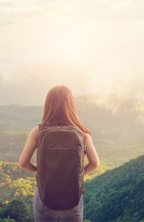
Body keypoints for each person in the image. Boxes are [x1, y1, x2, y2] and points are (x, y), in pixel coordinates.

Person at [19, 85, 100, 222]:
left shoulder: (38, 131)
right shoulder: (82, 133)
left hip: (45, 195)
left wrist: (40, 171)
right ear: (71, 105)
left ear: (48, 105)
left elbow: (23, 163)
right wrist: (76, 176)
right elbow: (95, 164)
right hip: (72, 194)